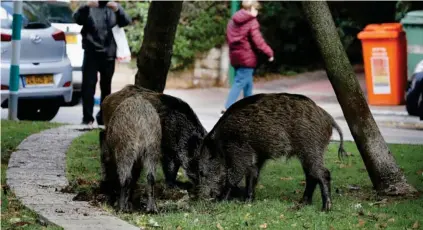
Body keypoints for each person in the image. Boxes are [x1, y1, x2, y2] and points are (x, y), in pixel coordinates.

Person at [73, 0, 131, 126]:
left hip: (108, 54)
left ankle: (103, 117)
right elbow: (77, 19)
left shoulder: (113, 7)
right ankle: (87, 118)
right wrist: (86, 6)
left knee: (106, 87)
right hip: (91, 52)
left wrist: (118, 9)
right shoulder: (89, 6)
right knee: (88, 86)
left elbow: (125, 21)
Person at [222, 0, 274, 116]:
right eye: (256, 9)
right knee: (240, 82)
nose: (257, 12)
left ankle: (249, 108)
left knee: (248, 83)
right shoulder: (251, 22)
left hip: (235, 56)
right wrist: (269, 53)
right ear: (250, 9)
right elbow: (258, 41)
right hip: (247, 57)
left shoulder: (233, 21)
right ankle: (227, 108)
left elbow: (228, 38)